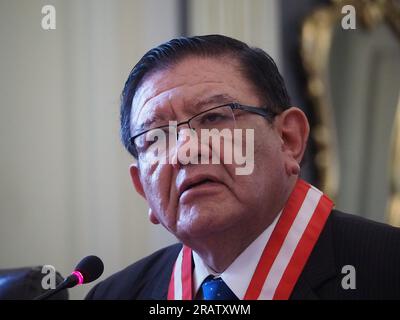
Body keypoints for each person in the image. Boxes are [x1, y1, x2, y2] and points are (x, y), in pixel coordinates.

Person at [86, 35, 400, 300]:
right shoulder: (115, 295)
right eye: (156, 136)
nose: (185, 151)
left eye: (213, 117)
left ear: (288, 139)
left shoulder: (387, 269)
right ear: (142, 187)